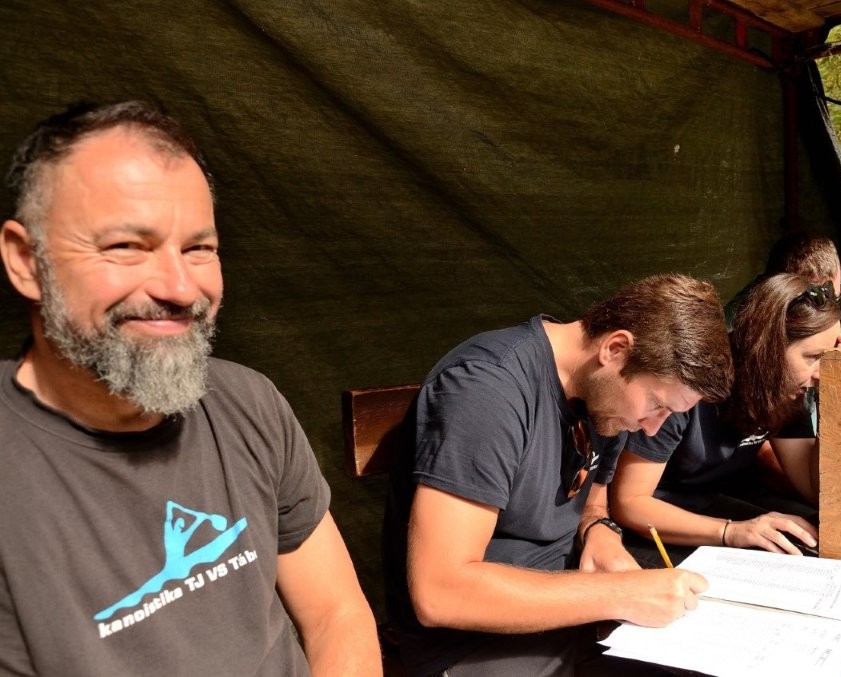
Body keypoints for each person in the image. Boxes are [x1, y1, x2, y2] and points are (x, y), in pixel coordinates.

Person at [0, 101, 382, 676]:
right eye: (127, 246)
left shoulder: (247, 402)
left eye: (199, 249)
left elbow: (337, 614)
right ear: (26, 261)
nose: (180, 288)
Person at [382, 274, 735, 677]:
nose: (654, 429)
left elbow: (594, 501)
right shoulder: (486, 389)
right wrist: (619, 594)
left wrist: (599, 530)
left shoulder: (604, 399)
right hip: (473, 643)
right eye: (657, 404)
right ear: (615, 348)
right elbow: (442, 592)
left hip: (572, 616)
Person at [610, 273, 841, 566]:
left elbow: (813, 489)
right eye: (814, 357)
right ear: (769, 349)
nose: (823, 371)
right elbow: (629, 503)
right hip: (654, 520)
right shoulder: (692, 385)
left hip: (709, 503)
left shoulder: (786, 392)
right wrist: (731, 532)